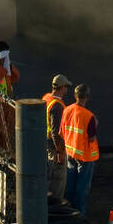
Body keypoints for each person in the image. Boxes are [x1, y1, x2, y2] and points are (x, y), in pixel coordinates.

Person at [61, 84, 99, 215]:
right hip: (85, 157)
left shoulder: (67, 110)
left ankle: (69, 212)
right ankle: (80, 216)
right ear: (87, 97)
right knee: (82, 188)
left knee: (70, 186)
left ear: (75, 95)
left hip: (70, 153)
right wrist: (95, 125)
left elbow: (61, 131)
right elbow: (92, 139)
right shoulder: (89, 116)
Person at [42, 74, 72, 199]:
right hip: (54, 146)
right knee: (57, 177)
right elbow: (56, 132)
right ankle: (55, 204)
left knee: (49, 173)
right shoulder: (57, 106)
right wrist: (60, 152)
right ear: (62, 87)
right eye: (66, 87)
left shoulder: (47, 98)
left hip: (46, 142)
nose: (67, 89)